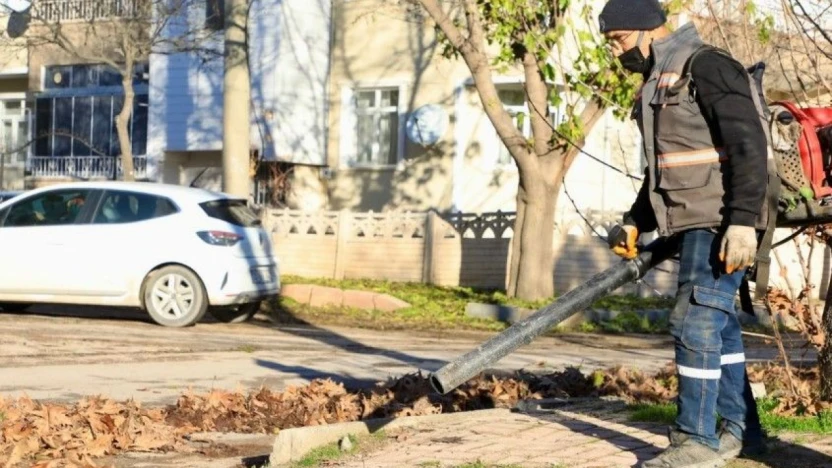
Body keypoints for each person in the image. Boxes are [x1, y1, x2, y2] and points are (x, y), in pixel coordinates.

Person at [599, 0, 769, 467]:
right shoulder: (659, 79)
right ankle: (742, 431)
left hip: (720, 220)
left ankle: (695, 440)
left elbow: (749, 144)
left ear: (649, 29)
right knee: (719, 326)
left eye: (618, 40)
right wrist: (636, 219)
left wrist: (741, 221)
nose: (616, 53)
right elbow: (664, 170)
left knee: (693, 321)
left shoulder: (706, 65)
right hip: (695, 220)